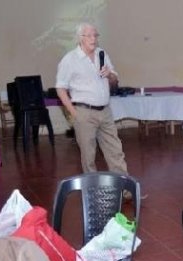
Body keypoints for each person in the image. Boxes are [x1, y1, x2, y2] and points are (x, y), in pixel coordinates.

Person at [55, 23, 128, 176]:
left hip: (105, 111)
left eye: (95, 35)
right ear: (80, 38)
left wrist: (109, 74)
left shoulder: (102, 54)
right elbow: (60, 88)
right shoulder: (70, 59)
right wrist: (74, 114)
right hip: (84, 113)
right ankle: (93, 192)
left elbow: (115, 81)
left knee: (116, 151)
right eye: (89, 35)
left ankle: (124, 188)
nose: (93, 38)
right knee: (88, 156)